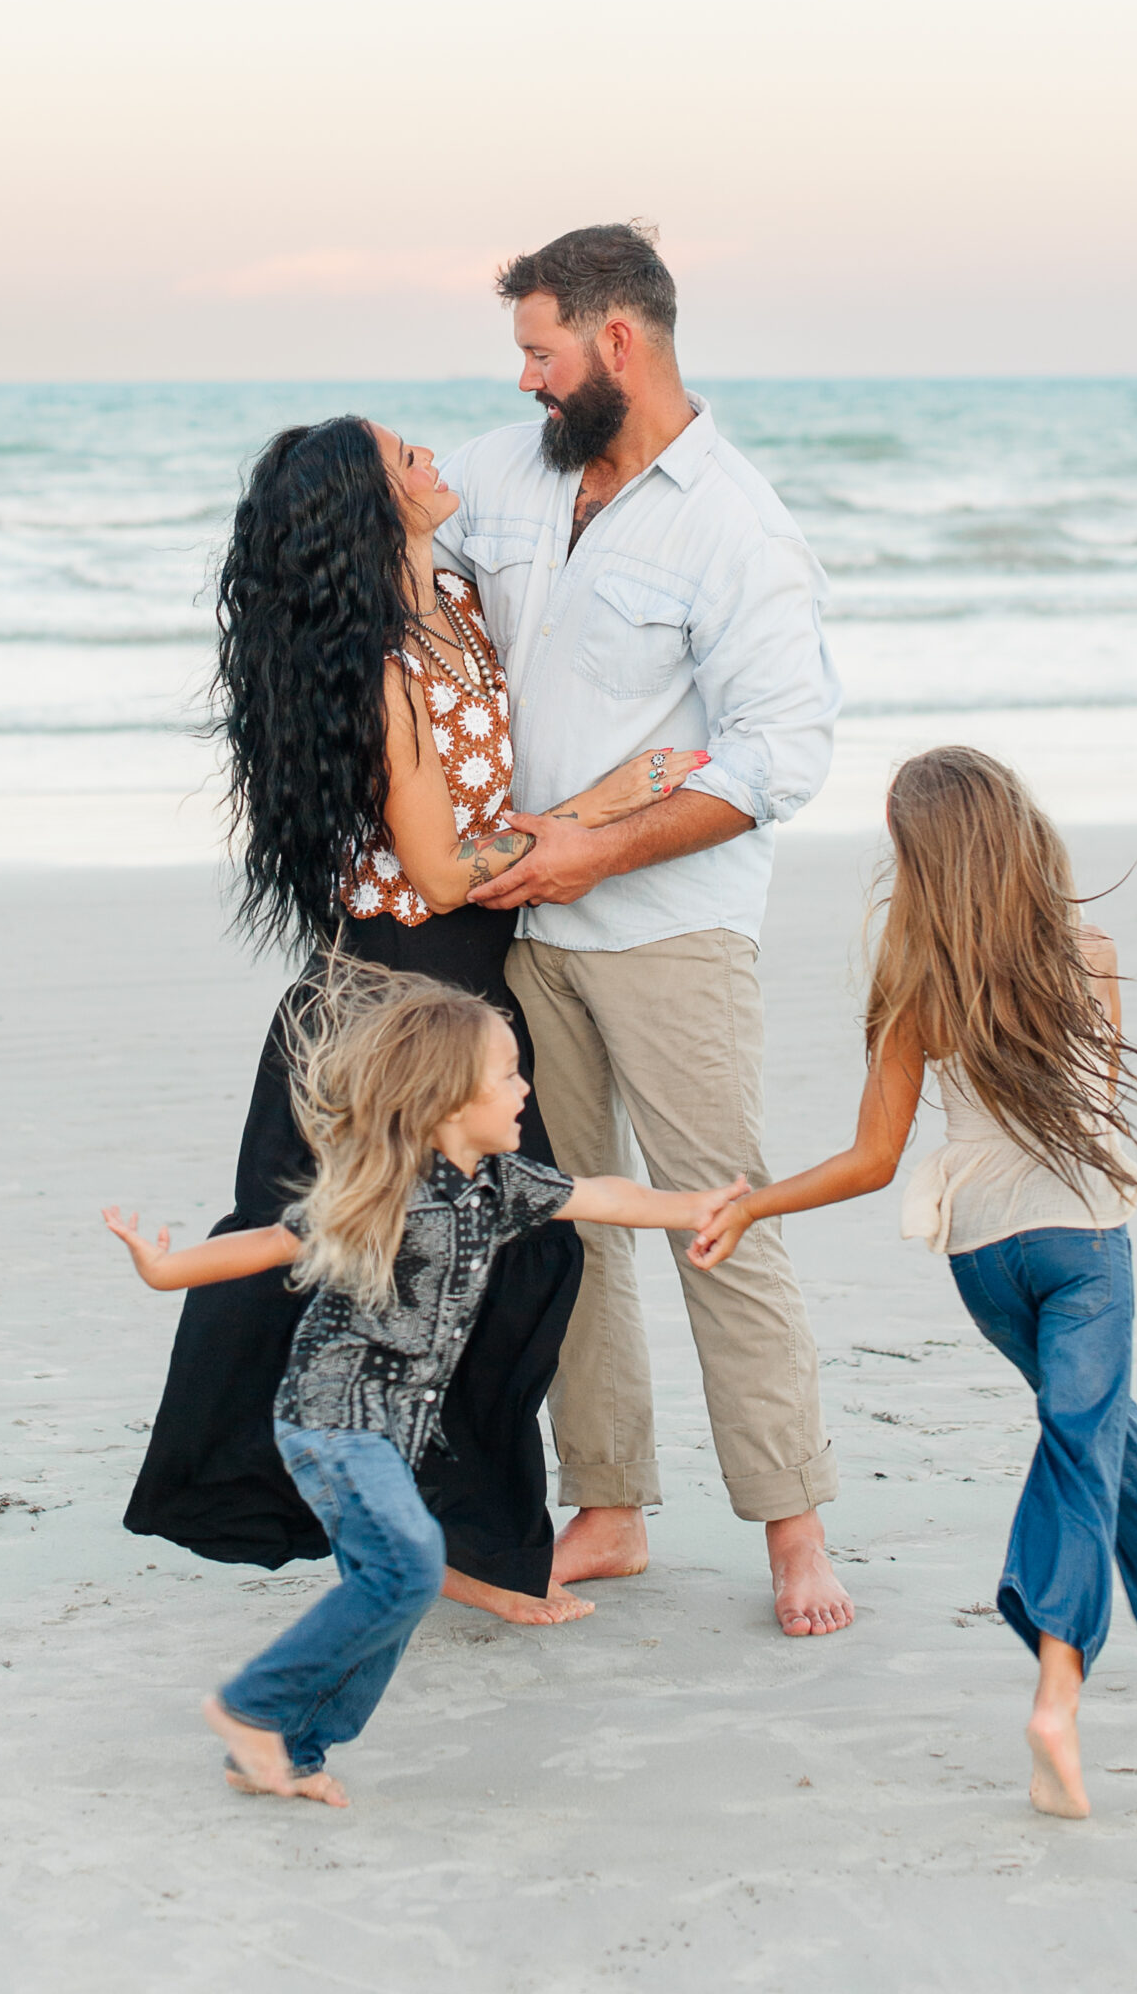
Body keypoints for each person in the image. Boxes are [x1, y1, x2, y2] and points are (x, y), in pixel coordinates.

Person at [124, 413, 706, 1626]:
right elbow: (439, 872)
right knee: (327, 1246)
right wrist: (596, 810)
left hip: (462, 980)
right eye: (405, 455)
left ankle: (470, 1540)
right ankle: (291, 1504)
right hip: (398, 990)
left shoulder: (453, 594)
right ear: (369, 504)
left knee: (497, 1250)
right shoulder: (378, 665)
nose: (432, 457)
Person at [690, 745, 1137, 1815]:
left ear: (918, 867)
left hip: (981, 1257)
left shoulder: (913, 991)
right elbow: (1095, 1113)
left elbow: (872, 1161)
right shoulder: (1086, 952)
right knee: (1082, 1447)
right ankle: (1058, 1693)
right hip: (1083, 1242)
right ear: (1021, 838)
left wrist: (752, 1200)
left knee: (1111, 1433)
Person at [434, 222, 852, 1638]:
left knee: (718, 1211)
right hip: (521, 939)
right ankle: (606, 1506)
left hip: (671, 930)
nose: (525, 385)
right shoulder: (503, 478)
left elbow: (780, 753)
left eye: (540, 354)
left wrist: (601, 846)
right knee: (562, 1227)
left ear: (619, 343)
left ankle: (793, 1527)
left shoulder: (736, 523)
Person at [105, 964, 749, 1806]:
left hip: (387, 1437)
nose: (526, 1088)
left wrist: (699, 1205)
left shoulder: (502, 1186)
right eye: (508, 1075)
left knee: (388, 1598)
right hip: (333, 1422)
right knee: (408, 1570)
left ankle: (287, 1756)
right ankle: (250, 1706)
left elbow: (601, 1194)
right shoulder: (383, 1189)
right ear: (449, 1102)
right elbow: (273, 1242)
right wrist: (165, 1270)